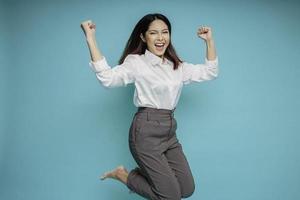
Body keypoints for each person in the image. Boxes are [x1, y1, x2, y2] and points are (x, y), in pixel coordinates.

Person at [81, 13, 218, 200]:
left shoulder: (176, 66)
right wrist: (90, 38)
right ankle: (124, 175)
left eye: (165, 32)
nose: (161, 38)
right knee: (171, 197)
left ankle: (139, 175)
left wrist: (209, 41)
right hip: (145, 132)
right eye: (154, 33)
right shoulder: (137, 63)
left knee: (186, 189)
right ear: (143, 37)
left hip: (169, 131)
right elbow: (107, 79)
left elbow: (210, 72)